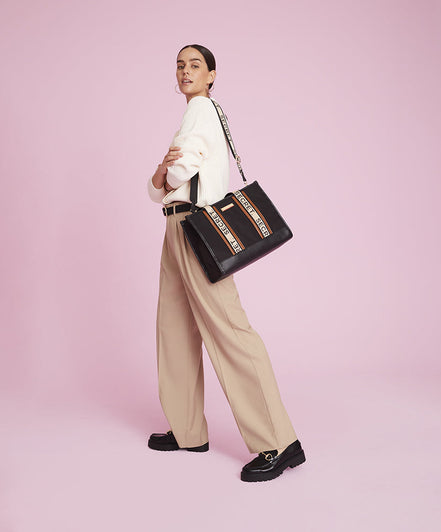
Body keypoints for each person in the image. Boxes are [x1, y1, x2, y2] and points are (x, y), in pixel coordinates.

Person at [146, 44, 305, 482]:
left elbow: (175, 174)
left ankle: (279, 442)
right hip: (176, 225)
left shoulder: (201, 109)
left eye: (195, 65)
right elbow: (157, 188)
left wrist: (165, 171)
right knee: (175, 329)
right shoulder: (198, 112)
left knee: (230, 331)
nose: (185, 71)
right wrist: (163, 173)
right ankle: (187, 431)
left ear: (212, 75)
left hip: (194, 227)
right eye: (180, 65)